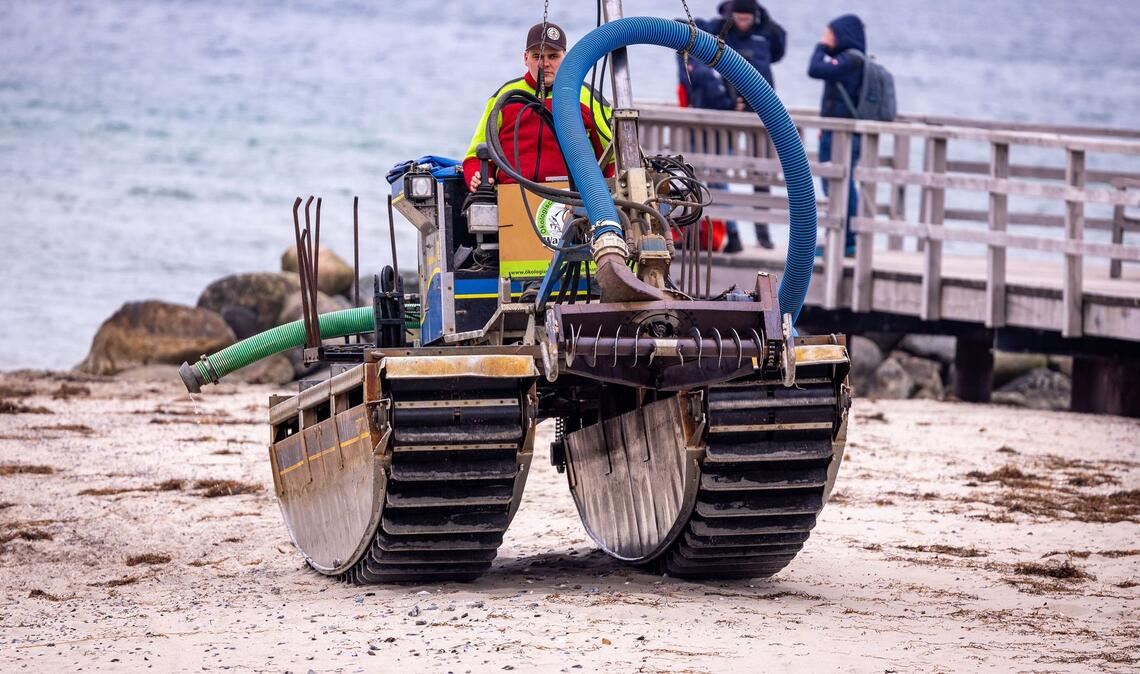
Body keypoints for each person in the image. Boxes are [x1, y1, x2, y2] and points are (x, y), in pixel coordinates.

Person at [463, 22, 612, 192]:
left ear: (566, 57)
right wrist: (477, 175)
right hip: (512, 196)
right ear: (525, 58)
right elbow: (476, 154)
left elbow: (612, 159)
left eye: (553, 56)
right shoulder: (504, 97)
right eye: (537, 56)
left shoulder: (589, 98)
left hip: (574, 198)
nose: (545, 63)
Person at [685, 0, 785, 251]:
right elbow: (694, 36)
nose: (742, 23)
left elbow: (780, 48)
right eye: (738, 17)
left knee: (761, 174)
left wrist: (764, 18)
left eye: (747, 18)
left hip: (761, 114)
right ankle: (734, 232)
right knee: (717, 171)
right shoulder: (720, 29)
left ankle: (763, 233)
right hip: (728, 113)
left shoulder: (765, 33)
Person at [808, 14, 866, 257]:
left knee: (841, 183)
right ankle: (841, 237)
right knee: (837, 183)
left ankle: (848, 239)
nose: (826, 37)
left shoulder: (850, 60)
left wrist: (820, 46)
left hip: (842, 135)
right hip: (834, 131)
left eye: (830, 33)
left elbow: (814, 69)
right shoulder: (848, 60)